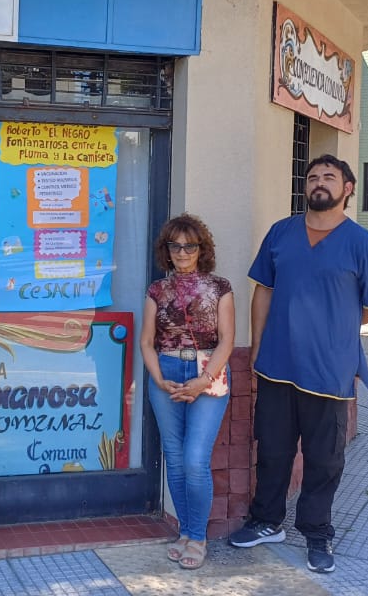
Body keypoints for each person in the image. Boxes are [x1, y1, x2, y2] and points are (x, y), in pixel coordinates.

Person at [228, 154, 368, 574]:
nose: (319, 182)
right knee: (272, 451)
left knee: (324, 460)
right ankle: (267, 521)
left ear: (347, 188)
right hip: (277, 366)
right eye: (313, 176)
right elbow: (263, 291)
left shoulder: (361, 243)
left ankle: (317, 534)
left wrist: (337, 320)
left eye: (330, 177)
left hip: (330, 370)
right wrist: (259, 348)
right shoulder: (281, 234)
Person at [140, 214, 234, 571]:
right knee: (175, 460)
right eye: (175, 246)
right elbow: (147, 342)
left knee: (195, 459)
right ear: (167, 250)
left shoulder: (220, 287)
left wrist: (204, 379)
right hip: (166, 373)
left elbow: (227, 340)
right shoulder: (156, 291)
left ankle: (198, 537)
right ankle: (186, 532)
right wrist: (159, 379)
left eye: (189, 246)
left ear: (201, 249)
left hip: (207, 373)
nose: (182, 252)